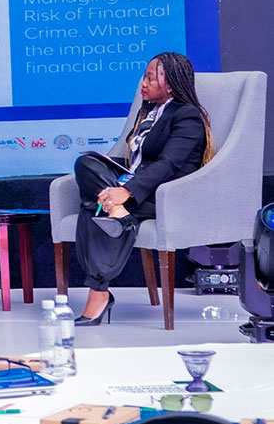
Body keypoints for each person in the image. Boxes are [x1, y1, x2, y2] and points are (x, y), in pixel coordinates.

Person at [72, 52, 215, 326]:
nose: (143, 83)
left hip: (164, 193)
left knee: (92, 207)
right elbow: (136, 160)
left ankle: (99, 295)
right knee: (86, 163)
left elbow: (168, 164)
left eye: (150, 78)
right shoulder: (148, 113)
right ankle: (121, 215)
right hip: (136, 183)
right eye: (144, 77)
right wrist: (113, 182)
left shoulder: (187, 116)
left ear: (170, 84)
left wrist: (126, 192)